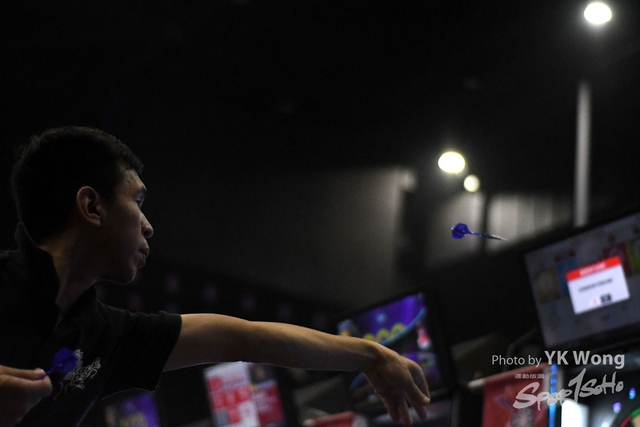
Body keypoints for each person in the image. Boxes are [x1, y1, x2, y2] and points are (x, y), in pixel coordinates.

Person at [0, 126, 430, 427]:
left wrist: (370, 355)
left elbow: (242, 338)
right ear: (92, 207)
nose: (148, 226)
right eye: (137, 201)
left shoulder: (106, 335)